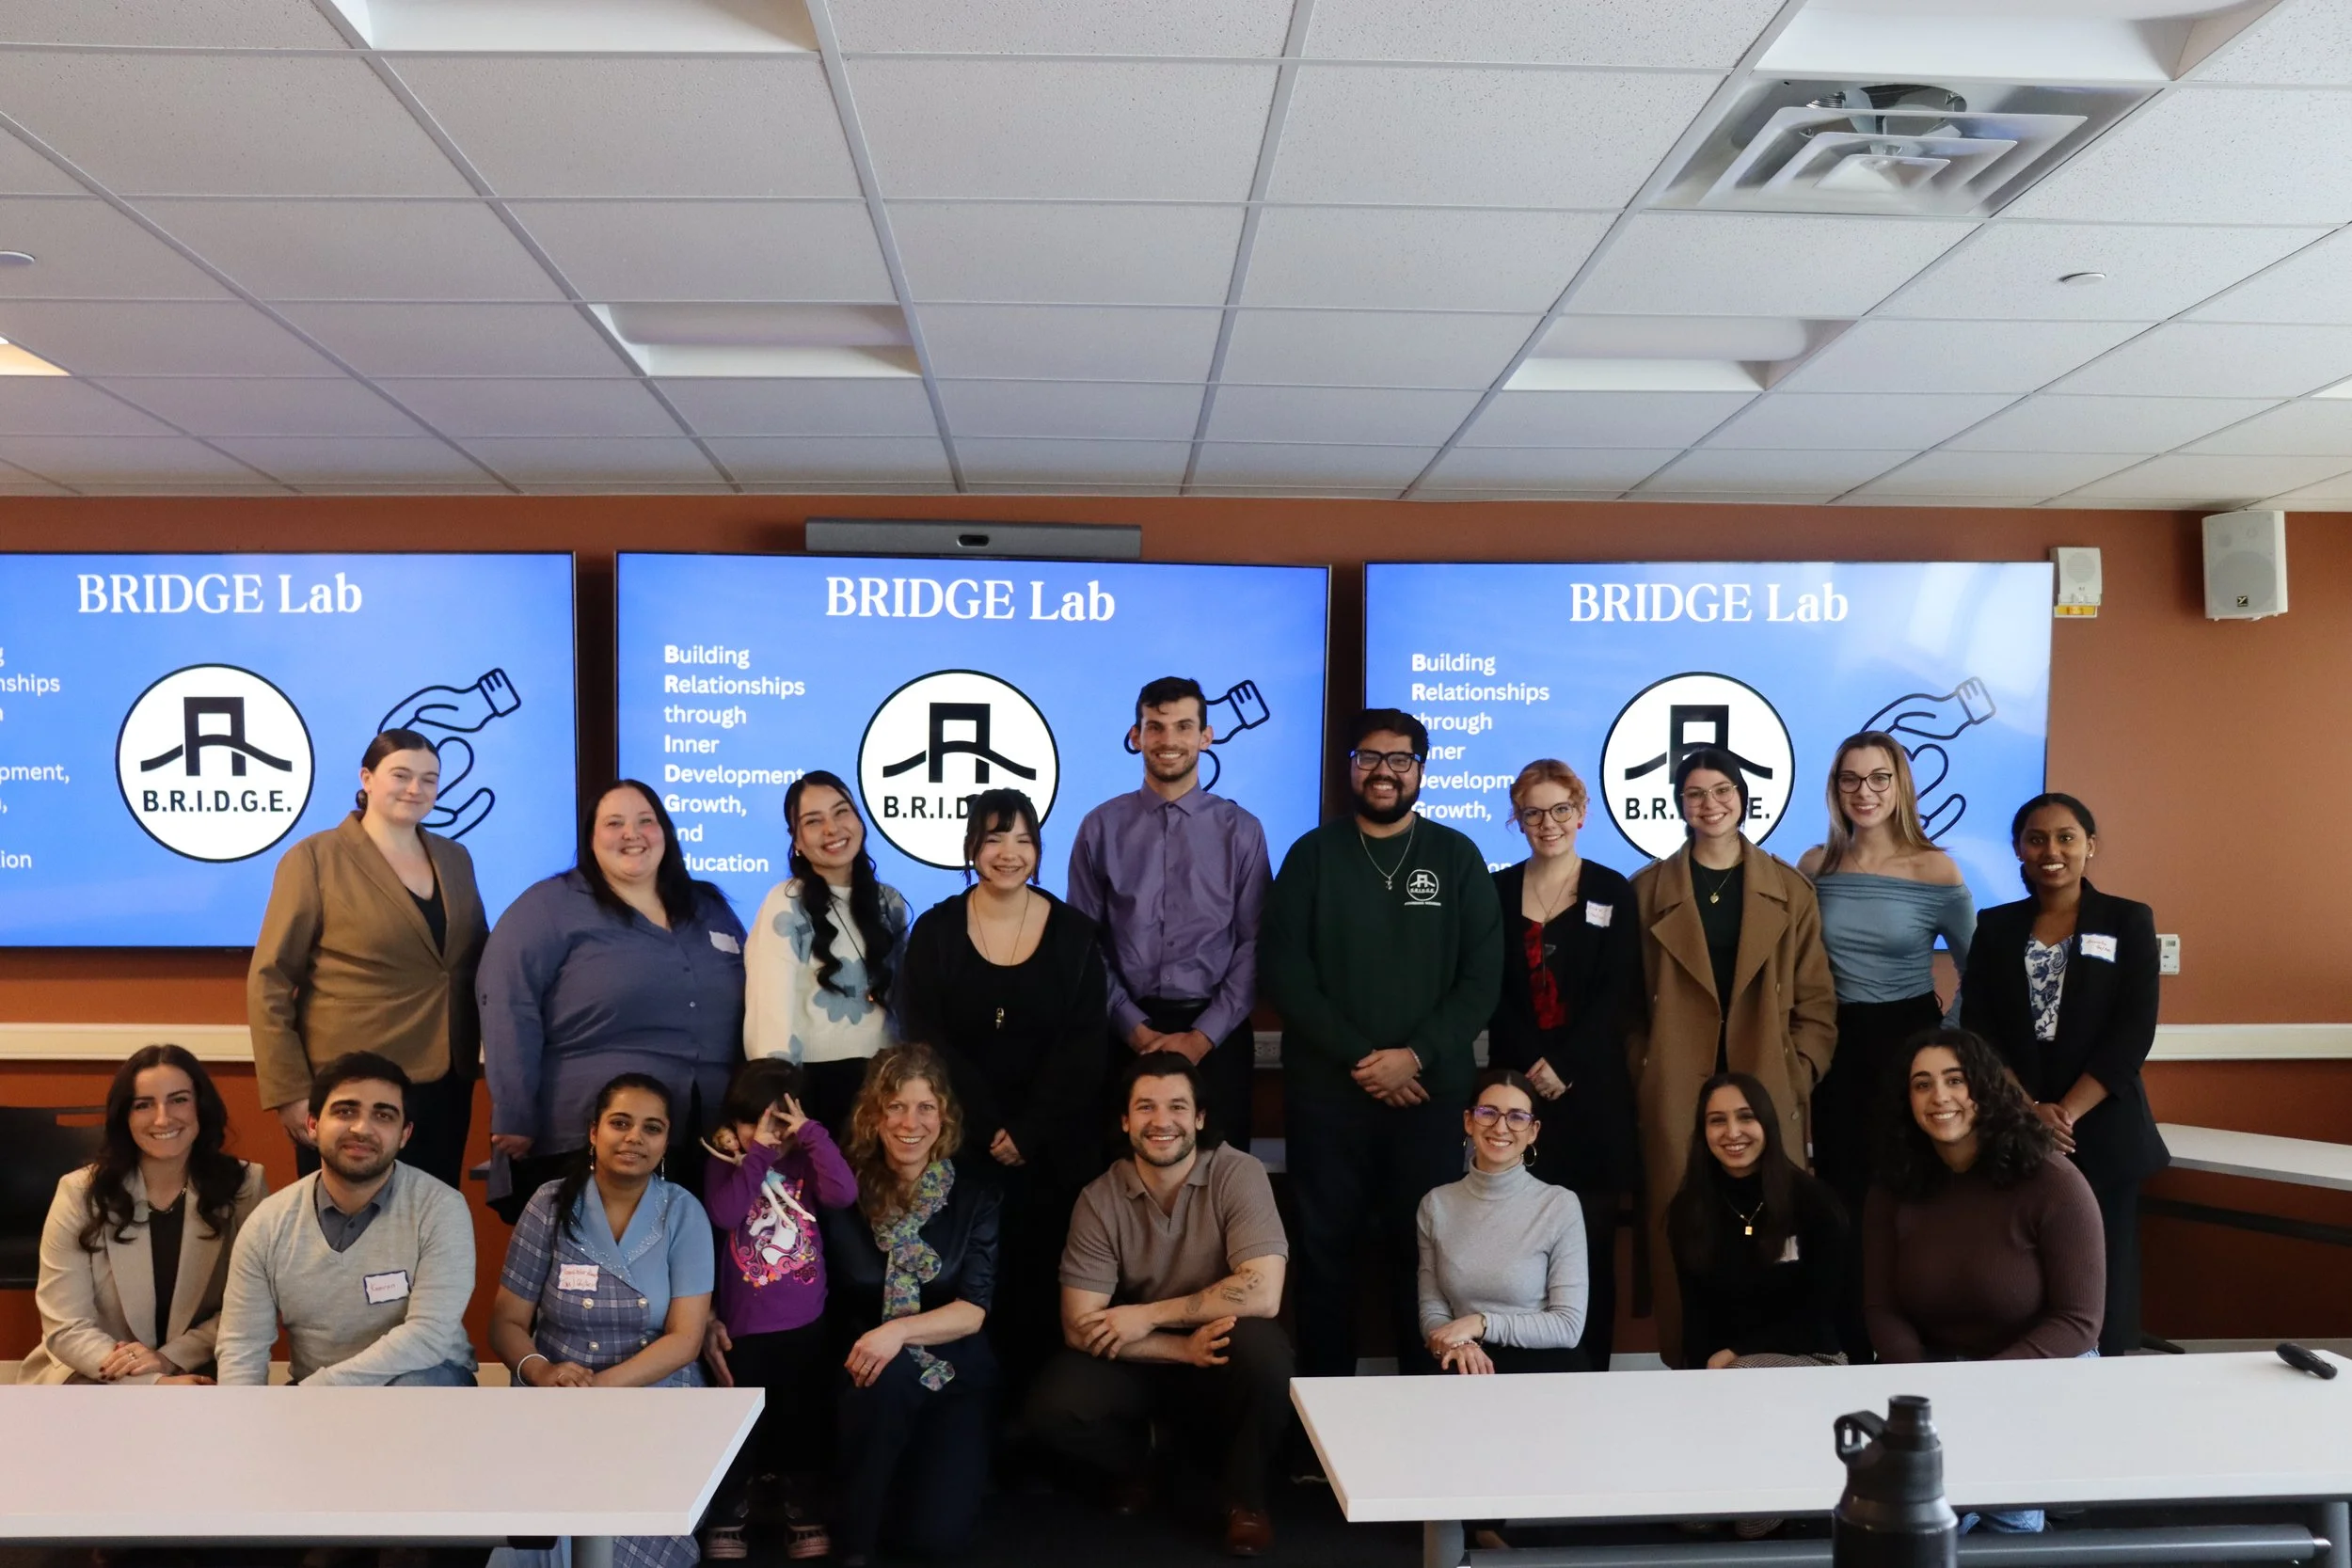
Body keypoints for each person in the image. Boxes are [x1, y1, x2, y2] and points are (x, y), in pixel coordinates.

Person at [1262, 707, 1502, 1381]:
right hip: (1327, 1097)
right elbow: (1285, 970)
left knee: (1424, 1258)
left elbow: (1482, 978)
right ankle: (1322, 1426)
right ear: (1350, 768)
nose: (1384, 772)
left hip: (1430, 1097)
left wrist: (1415, 1055)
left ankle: (1422, 1421)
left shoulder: (1456, 856)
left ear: (1421, 769)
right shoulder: (1312, 854)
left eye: (1400, 759)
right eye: (1369, 758)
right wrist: (1366, 1059)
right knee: (1324, 1251)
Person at [1025, 1052, 1292, 1559]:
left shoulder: (1239, 1173)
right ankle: (1142, 1466)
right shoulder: (1098, 1198)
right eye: (1145, 1107)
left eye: (1176, 1106)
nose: (1161, 1121)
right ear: (1126, 1121)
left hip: (1215, 1343)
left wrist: (1148, 1315)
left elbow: (1263, 1291)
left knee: (1265, 1352)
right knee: (1053, 1407)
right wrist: (1178, 1348)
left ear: (1200, 1118)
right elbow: (1080, 1326)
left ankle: (1245, 1501)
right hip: (1147, 1355)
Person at [1629, 745, 1836, 1367]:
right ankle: (1692, 1361)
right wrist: (1646, 1075)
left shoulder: (1790, 889)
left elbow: (1816, 1001)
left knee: (1773, 1227)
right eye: (1695, 793)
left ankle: (1776, 1359)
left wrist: (1796, 1073)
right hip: (1675, 1090)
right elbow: (1629, 1009)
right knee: (1685, 1230)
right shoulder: (1645, 891)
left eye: (1722, 790)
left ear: (1743, 797)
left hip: (1767, 1084)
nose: (1710, 804)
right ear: (1679, 805)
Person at [897, 787, 1107, 1398]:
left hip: (1054, 1148)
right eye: (994, 838)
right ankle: (967, 1420)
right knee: (967, 1282)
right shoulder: (936, 930)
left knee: (1045, 1282)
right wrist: (991, 1126)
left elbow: (1084, 1045)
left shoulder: (1073, 933)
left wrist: (1030, 1130)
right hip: (964, 1146)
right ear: (971, 847)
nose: (1009, 853)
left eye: (1023, 839)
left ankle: (1041, 1429)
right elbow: (929, 1040)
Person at [1866, 1029, 2102, 1538]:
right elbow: (1882, 1308)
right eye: (1922, 1085)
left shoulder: (2053, 1181)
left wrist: (1984, 1386)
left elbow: (2079, 1320)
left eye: (1956, 1080)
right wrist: (1923, 1387)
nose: (1940, 1097)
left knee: (2001, 1512)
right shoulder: (1894, 1186)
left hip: (2040, 1367)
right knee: (1907, 1519)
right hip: (1936, 1373)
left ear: (1986, 1090)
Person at [479, 779, 746, 1222]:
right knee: (596, 1280)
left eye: (646, 821)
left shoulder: (708, 906)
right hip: (589, 1136)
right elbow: (508, 1003)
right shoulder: (550, 906)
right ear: (590, 837)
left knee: (688, 1277)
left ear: (665, 830)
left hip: (707, 1138)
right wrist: (514, 1112)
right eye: (614, 823)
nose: (632, 834)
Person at [1961, 793, 2164, 1358]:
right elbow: (1979, 1031)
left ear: (2090, 846)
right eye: (2036, 838)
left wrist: (2065, 1114)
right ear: (2018, 850)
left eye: (2066, 837)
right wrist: (2028, 1110)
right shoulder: (1996, 926)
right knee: (2021, 1268)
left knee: (2105, 1272)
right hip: (2014, 1122)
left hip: (2101, 1126)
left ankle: (2108, 1389)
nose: (2051, 850)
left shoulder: (2127, 920)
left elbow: (2132, 1034)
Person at [490, 1073, 715, 1568]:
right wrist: (543, 1373)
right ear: (594, 1132)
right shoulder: (549, 1204)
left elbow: (685, 1339)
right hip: (556, 1399)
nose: (635, 1137)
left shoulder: (683, 1213)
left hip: (655, 1400)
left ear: (664, 1142)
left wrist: (599, 1391)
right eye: (621, 1123)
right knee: (533, 1542)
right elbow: (506, 1322)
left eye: (651, 1128)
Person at [248, 729, 487, 1188]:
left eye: (429, 780)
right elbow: (269, 980)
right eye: (401, 775)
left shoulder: (456, 858)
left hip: (445, 1083)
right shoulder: (315, 859)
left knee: (429, 1224)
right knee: (346, 1227)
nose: (416, 789)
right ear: (367, 778)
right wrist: (291, 1092)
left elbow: (473, 954)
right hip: (351, 1088)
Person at [1067, 675, 1272, 1153]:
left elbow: (1254, 942)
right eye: (1155, 727)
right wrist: (1131, 1027)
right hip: (1122, 1032)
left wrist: (1203, 1037)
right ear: (1136, 737)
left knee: (1219, 1182)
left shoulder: (1241, 832)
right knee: (1121, 1180)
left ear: (1206, 736)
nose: (1168, 740)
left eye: (1183, 726)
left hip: (1217, 1038)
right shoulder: (1100, 827)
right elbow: (1083, 943)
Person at [822, 1045, 1000, 1568]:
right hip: (867, 1375)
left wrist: (898, 1332)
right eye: (896, 1106)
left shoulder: (975, 1197)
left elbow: (973, 1309)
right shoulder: (841, 1191)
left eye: (925, 1107)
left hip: (954, 1372)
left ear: (942, 1116)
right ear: (873, 1116)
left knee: (934, 1542)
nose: (910, 1122)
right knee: (888, 1374)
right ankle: (855, 1537)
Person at [1486, 759, 1638, 1370]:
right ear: (1516, 819)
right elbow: (1489, 989)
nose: (1547, 823)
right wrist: (1531, 1065)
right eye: (1532, 812)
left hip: (1592, 1095)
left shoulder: (1611, 890)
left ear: (1582, 814)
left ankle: (1589, 1376)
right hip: (1515, 1097)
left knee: (1591, 1245)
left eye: (1560, 810)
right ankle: (1525, 1377)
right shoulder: (1495, 892)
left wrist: (1565, 1066)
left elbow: (1619, 992)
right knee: (1521, 1247)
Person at [215, 1052, 477, 1386]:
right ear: (312, 1125)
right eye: (345, 1111)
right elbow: (242, 1345)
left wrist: (322, 1391)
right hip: (314, 1394)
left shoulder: (441, 1209)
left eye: (383, 1116)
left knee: (417, 1385)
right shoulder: (268, 1223)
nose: (362, 1128)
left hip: (425, 1380)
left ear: (404, 1135)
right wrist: (242, 1427)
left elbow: (429, 1336)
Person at [1799, 733, 1975, 1227]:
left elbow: (1978, 970)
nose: (1864, 791)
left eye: (1879, 778)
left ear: (1900, 785)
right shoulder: (1815, 866)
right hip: (1836, 1043)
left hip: (1910, 1042)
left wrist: (1944, 1040)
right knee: (1842, 1191)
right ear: (1835, 788)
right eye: (1850, 779)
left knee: (1911, 1190)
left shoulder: (1936, 870)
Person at [21, 1044, 267, 1385]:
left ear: (201, 1107)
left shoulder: (245, 1185)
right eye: (143, 1105)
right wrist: (153, 1384)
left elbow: (251, 1307)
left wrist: (169, 1360)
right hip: (95, 1373)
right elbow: (67, 1326)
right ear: (125, 1116)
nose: (163, 1118)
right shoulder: (79, 1192)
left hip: (196, 1369)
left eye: (179, 1099)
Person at [699, 1057, 858, 1561]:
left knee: (800, 1421)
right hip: (744, 1327)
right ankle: (729, 1507)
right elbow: (724, 1213)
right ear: (733, 1123)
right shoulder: (725, 1160)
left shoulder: (807, 1160)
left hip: (805, 1324)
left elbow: (843, 1193)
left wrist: (809, 1135)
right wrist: (758, 1155)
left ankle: (802, 1504)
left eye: (778, 1123)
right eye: (753, 1123)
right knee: (740, 1424)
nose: (766, 1134)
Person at [743, 770, 910, 1135]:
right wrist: (774, 1095)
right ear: (797, 840)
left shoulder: (890, 903)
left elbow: (906, 1004)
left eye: (841, 812)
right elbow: (769, 1010)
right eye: (813, 821)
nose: (832, 829)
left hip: (887, 1088)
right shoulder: (786, 902)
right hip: (813, 1090)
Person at [1668, 1073, 1848, 1372]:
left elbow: (1820, 1308)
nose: (1732, 1132)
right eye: (1717, 1121)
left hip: (1811, 1357)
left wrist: (1737, 1353)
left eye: (1746, 1117)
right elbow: (1696, 1314)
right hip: (1723, 1368)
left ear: (1767, 1125)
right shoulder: (1689, 1210)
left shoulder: (1815, 1202)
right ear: (1703, 1132)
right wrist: (1699, 1382)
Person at [1418, 1070, 1588, 1376]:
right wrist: (1457, 1344)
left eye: (1517, 1117)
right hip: (1462, 1364)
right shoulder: (1436, 1204)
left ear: (1533, 1131)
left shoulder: (1559, 1205)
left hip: (1544, 1368)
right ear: (1469, 1121)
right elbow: (1432, 1308)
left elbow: (1568, 1325)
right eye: (1488, 1113)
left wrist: (1481, 1323)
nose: (1501, 1127)